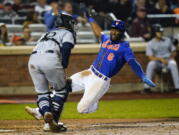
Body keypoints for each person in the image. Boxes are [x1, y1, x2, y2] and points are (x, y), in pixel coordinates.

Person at [25, 16, 156, 127]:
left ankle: (95, 101)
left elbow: (133, 63)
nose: (114, 32)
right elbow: (98, 32)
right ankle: (41, 111)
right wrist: (91, 19)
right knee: (62, 87)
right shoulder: (106, 39)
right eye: (113, 29)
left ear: (122, 32)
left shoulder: (125, 47)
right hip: (89, 72)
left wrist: (143, 76)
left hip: (100, 80)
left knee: (81, 109)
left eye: (118, 30)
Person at [25, 12, 77, 132]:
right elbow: (66, 47)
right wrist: (64, 65)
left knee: (42, 93)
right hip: (50, 59)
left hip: (33, 60)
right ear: (67, 22)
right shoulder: (67, 32)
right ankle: (51, 123)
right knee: (62, 90)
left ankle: (46, 112)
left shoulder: (46, 33)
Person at [143, 24, 179, 94]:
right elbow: (150, 57)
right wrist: (160, 59)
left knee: (173, 64)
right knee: (151, 64)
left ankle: (178, 87)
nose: (160, 33)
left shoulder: (167, 40)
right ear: (154, 33)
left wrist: (170, 58)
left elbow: (174, 51)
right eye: (158, 32)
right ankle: (146, 87)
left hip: (168, 61)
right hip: (158, 62)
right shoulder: (150, 43)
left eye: (161, 32)